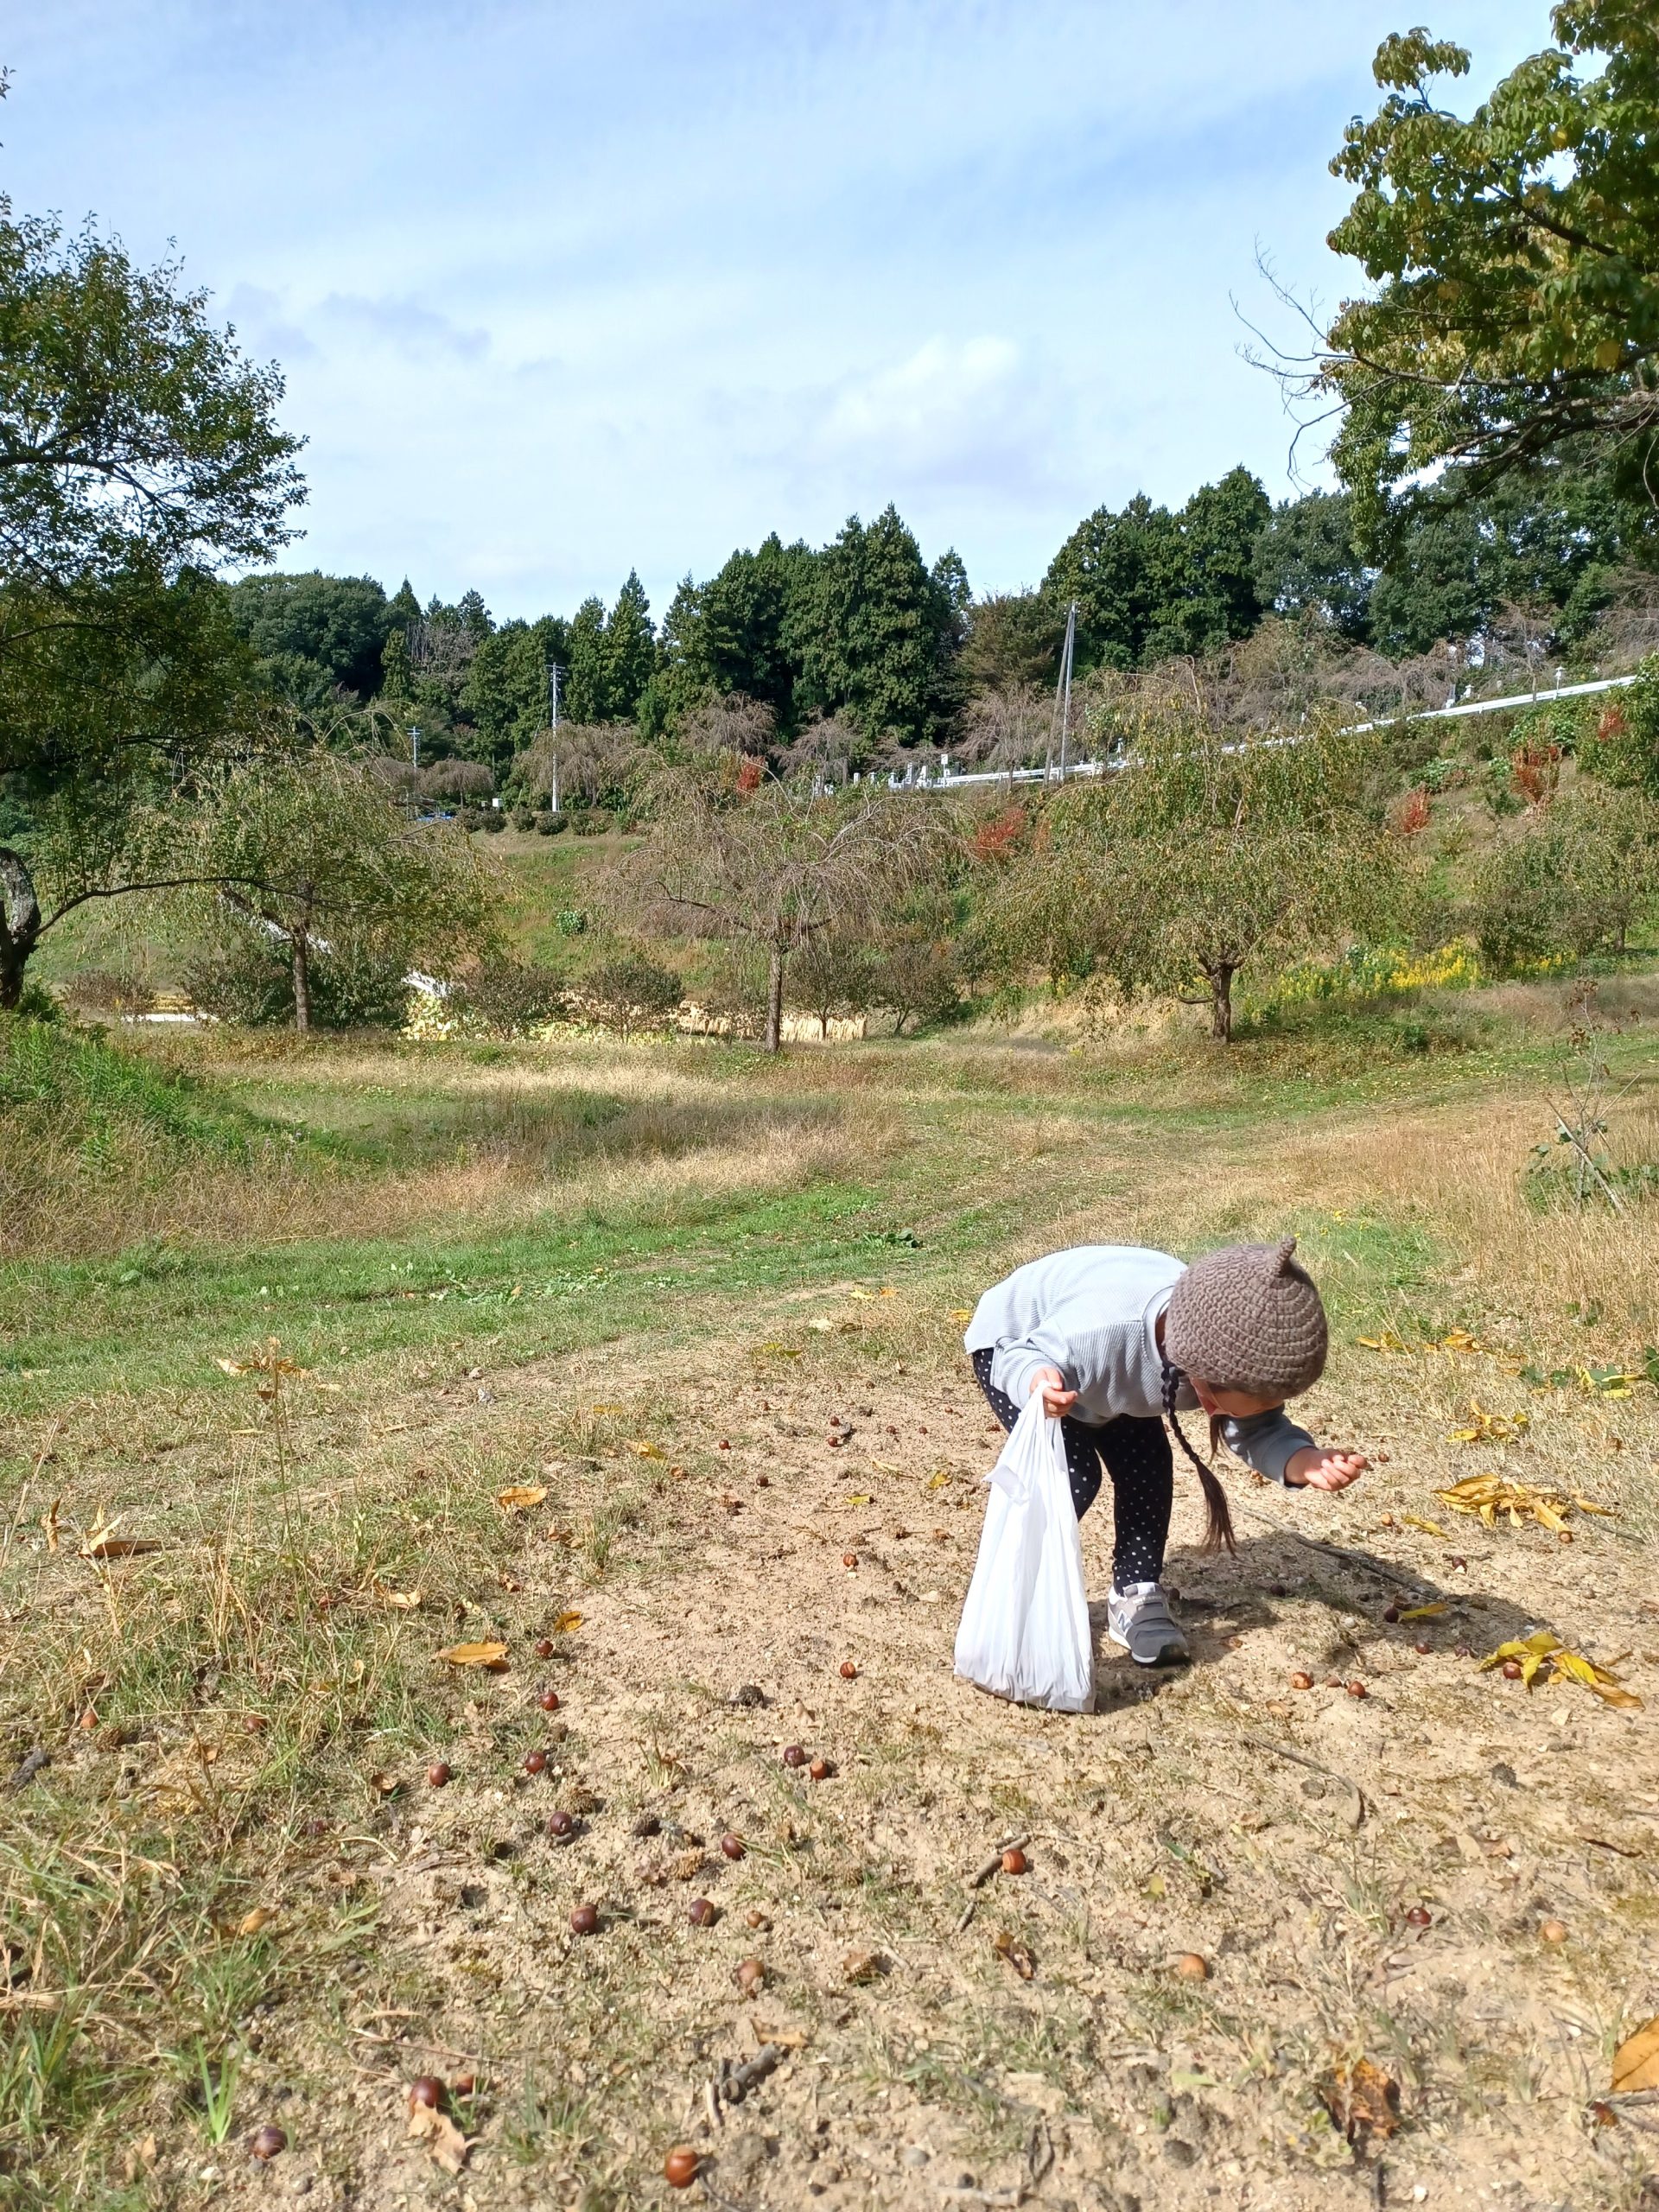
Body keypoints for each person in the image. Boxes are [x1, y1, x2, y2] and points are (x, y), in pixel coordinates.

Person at [963, 1237, 1367, 1667]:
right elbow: (1020, 1355)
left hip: (1115, 1369)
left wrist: (1302, 1460)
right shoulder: (1096, 1334)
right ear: (1204, 1381)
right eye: (1243, 1406)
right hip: (1021, 1345)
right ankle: (1016, 1592)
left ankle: (1135, 1592)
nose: (1255, 1416)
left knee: (1148, 1467)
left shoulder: (1219, 1350)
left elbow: (1258, 1427)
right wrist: (1035, 1381)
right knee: (1073, 1476)